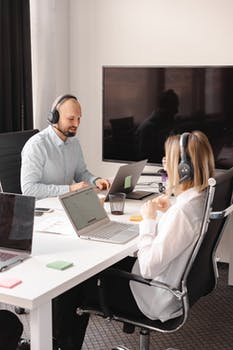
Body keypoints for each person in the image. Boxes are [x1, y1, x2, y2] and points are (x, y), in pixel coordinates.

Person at [52, 130, 215, 349]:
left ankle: (58, 344)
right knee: (102, 266)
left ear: (184, 169)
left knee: (72, 283)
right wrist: (164, 213)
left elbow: (148, 267)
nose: (164, 165)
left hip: (154, 297)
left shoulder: (183, 212)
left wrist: (148, 221)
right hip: (172, 287)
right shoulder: (198, 200)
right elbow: (175, 239)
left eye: (169, 160)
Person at [21, 94, 110, 199]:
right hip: (44, 209)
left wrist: (95, 181)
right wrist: (70, 189)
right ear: (55, 117)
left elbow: (80, 173)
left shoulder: (74, 143)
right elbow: (28, 189)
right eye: (71, 119)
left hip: (66, 204)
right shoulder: (36, 146)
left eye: (78, 118)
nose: (76, 124)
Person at [135, 89, 179, 163]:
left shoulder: (166, 124)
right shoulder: (148, 129)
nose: (177, 111)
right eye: (174, 107)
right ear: (165, 108)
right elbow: (147, 160)